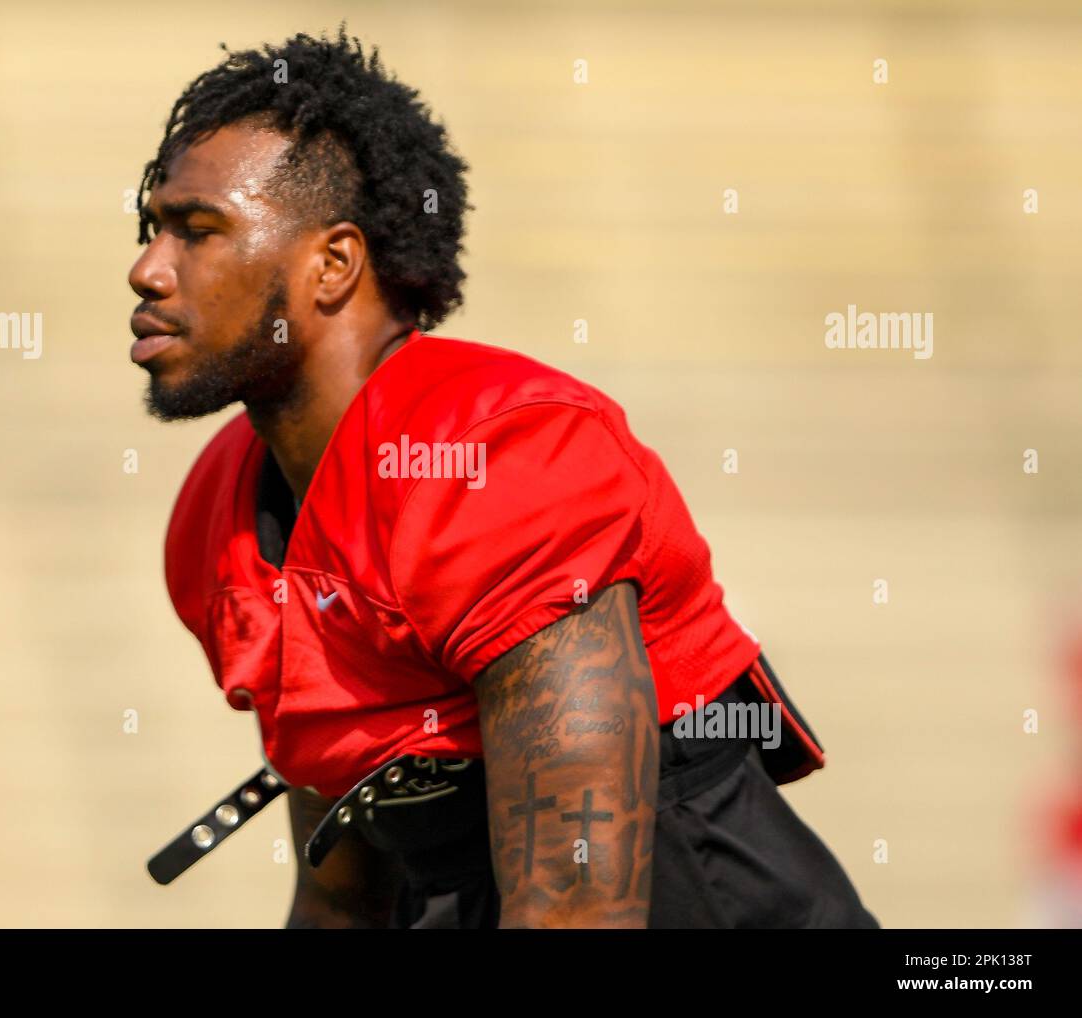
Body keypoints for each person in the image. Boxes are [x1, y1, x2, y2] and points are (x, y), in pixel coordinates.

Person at [129, 27, 878, 929]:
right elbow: (341, 890)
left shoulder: (492, 454)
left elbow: (578, 902)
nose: (147, 269)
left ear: (332, 265)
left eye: (198, 231)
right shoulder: (224, 510)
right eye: (153, 229)